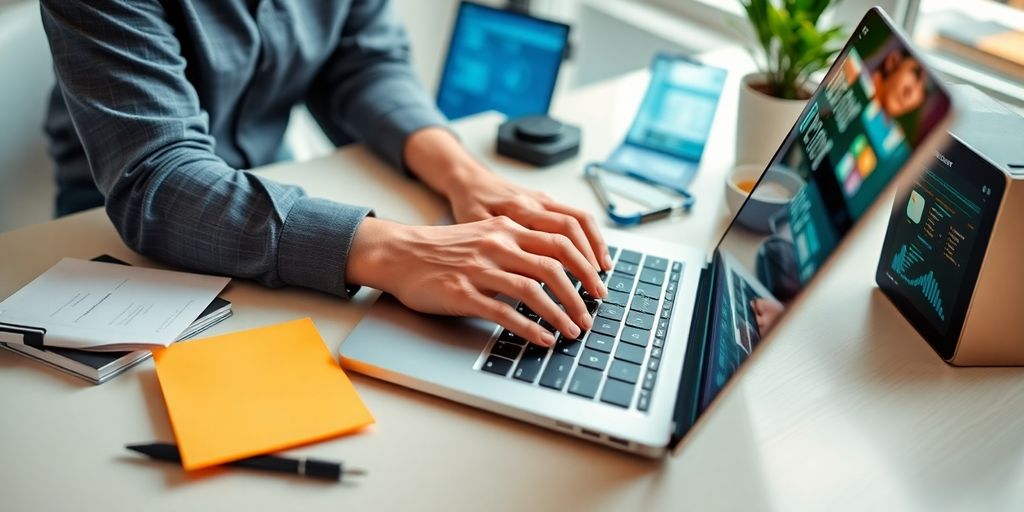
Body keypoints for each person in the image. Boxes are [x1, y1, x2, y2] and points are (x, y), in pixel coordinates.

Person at [40, 0, 610, 348]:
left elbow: (363, 65)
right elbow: (158, 179)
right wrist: (400, 250)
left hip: (267, 192)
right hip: (112, 242)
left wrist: (463, 173)